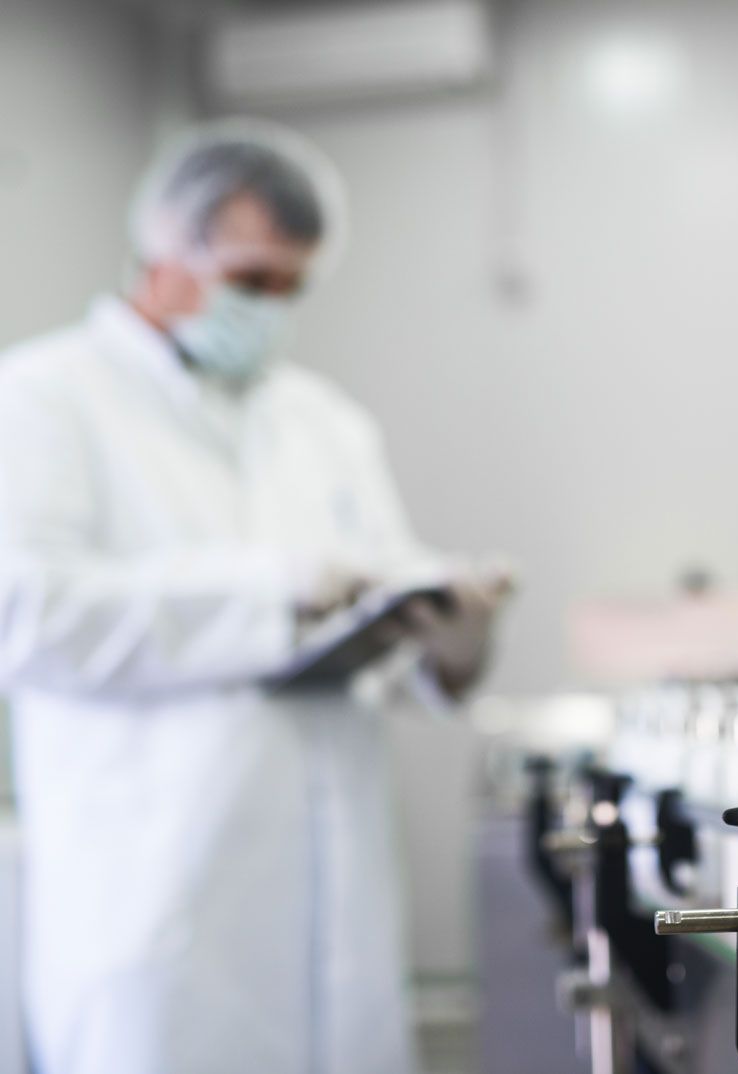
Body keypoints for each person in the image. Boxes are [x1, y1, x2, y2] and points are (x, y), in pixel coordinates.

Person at [0, 119, 503, 1074]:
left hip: (334, 916)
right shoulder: (40, 399)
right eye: (249, 281)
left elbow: (382, 624)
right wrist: (273, 592)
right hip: (155, 911)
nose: (270, 308)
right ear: (163, 254)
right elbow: (24, 615)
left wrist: (451, 640)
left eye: (291, 286)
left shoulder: (321, 419)